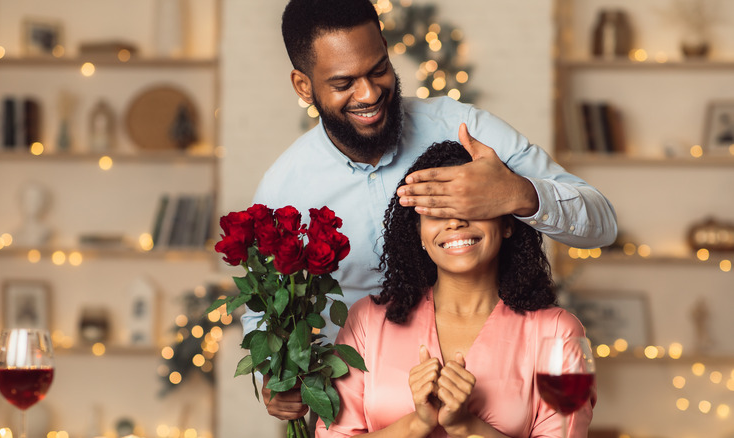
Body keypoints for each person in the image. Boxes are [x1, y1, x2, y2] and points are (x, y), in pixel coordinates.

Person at [246, 0, 615, 422]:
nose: (369, 94)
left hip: (495, 393)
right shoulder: (283, 191)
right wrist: (272, 377)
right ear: (303, 85)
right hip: (357, 410)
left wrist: (517, 193)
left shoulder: (465, 130)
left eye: (378, 69)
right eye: (344, 82)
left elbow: (601, 224)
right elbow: (264, 307)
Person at [316, 141, 594, 437]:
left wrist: (466, 426)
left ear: (507, 224)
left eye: (472, 205)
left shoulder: (560, 333)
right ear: (419, 232)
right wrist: (417, 423)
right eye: (436, 211)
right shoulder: (367, 321)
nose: (455, 222)